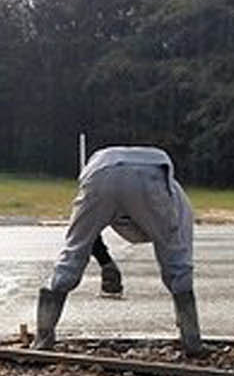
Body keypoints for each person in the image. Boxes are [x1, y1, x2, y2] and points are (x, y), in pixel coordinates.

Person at [36, 144, 203, 356]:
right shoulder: (177, 205)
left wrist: (106, 262)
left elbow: (85, 235)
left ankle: (43, 339)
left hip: (99, 172)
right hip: (150, 176)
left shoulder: (173, 200)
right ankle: (192, 342)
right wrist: (180, 285)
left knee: (73, 251)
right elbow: (178, 252)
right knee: (178, 262)